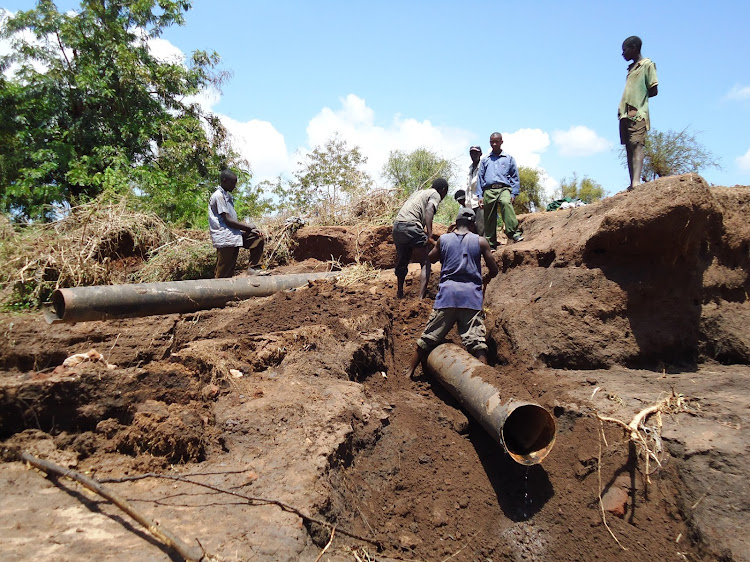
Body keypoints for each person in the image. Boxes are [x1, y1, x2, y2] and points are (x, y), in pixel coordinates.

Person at [405, 207, 499, 377]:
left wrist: (438, 245)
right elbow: (494, 270)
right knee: (477, 343)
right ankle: (486, 379)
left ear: (455, 223)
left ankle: (409, 373)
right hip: (471, 297)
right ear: (473, 224)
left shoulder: (444, 240)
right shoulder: (481, 242)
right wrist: (483, 279)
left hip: (447, 296)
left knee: (428, 337)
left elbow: (431, 259)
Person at [392, 177, 450, 299]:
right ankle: (421, 298)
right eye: (445, 193)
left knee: (403, 261)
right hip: (411, 226)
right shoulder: (435, 194)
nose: (444, 196)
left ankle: (399, 293)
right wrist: (429, 235)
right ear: (443, 190)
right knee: (425, 262)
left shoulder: (418, 193)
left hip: (397, 227)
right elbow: (429, 209)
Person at [208, 169, 265, 278]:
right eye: (232, 183)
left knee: (256, 238)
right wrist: (249, 227)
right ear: (224, 181)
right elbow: (228, 220)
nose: (234, 186)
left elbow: (231, 221)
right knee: (224, 272)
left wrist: (249, 230)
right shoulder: (218, 196)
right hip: (225, 238)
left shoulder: (227, 196)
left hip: (234, 235)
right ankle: (220, 292)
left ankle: (254, 268)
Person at [618, 35, 658, 191]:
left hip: (638, 112)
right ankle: (632, 182)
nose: (623, 54)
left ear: (634, 48)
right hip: (625, 114)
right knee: (628, 146)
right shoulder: (631, 68)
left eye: (625, 50)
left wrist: (637, 102)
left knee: (637, 144)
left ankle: (636, 182)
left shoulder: (647, 65)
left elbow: (653, 89)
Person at [477, 133, 523, 249]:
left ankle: (513, 233)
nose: (494, 144)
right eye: (491, 142)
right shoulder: (485, 160)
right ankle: (491, 244)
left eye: (496, 141)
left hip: (504, 188)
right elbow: (480, 178)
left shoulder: (509, 158)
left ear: (501, 142)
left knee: (505, 203)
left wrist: (514, 193)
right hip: (489, 190)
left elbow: (514, 177)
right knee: (489, 216)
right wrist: (480, 196)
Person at [466, 146, 485, 236]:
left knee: (481, 226)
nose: (473, 155)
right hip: (470, 203)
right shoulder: (470, 168)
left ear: (480, 154)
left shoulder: (483, 166)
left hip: (479, 201)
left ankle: (485, 247)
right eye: (471, 153)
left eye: (476, 153)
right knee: (472, 227)